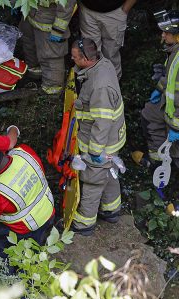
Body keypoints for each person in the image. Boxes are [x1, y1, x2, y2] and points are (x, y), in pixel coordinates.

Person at [70, 38, 126, 236]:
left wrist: (94, 152)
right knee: (108, 172)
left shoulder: (100, 87)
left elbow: (102, 123)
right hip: (113, 140)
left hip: (101, 144)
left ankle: (84, 223)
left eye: (75, 57)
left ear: (86, 59)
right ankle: (111, 210)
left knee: (93, 180)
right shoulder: (103, 64)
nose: (72, 59)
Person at [133, 10, 179, 169]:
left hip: (176, 115)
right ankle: (158, 163)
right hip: (170, 106)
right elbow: (170, 77)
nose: (163, 36)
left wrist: (175, 127)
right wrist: (159, 89)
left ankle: (167, 169)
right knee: (149, 115)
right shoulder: (175, 52)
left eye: (167, 33)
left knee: (176, 148)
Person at [20, 0, 76, 94]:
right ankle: (35, 76)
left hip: (49, 24)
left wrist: (58, 29)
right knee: (30, 47)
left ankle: (52, 90)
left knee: (51, 56)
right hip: (31, 14)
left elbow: (67, 5)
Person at [78, 0, 137, 79]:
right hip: (87, 11)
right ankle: (92, 87)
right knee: (89, 54)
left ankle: (112, 88)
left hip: (115, 13)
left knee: (111, 54)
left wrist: (124, 10)